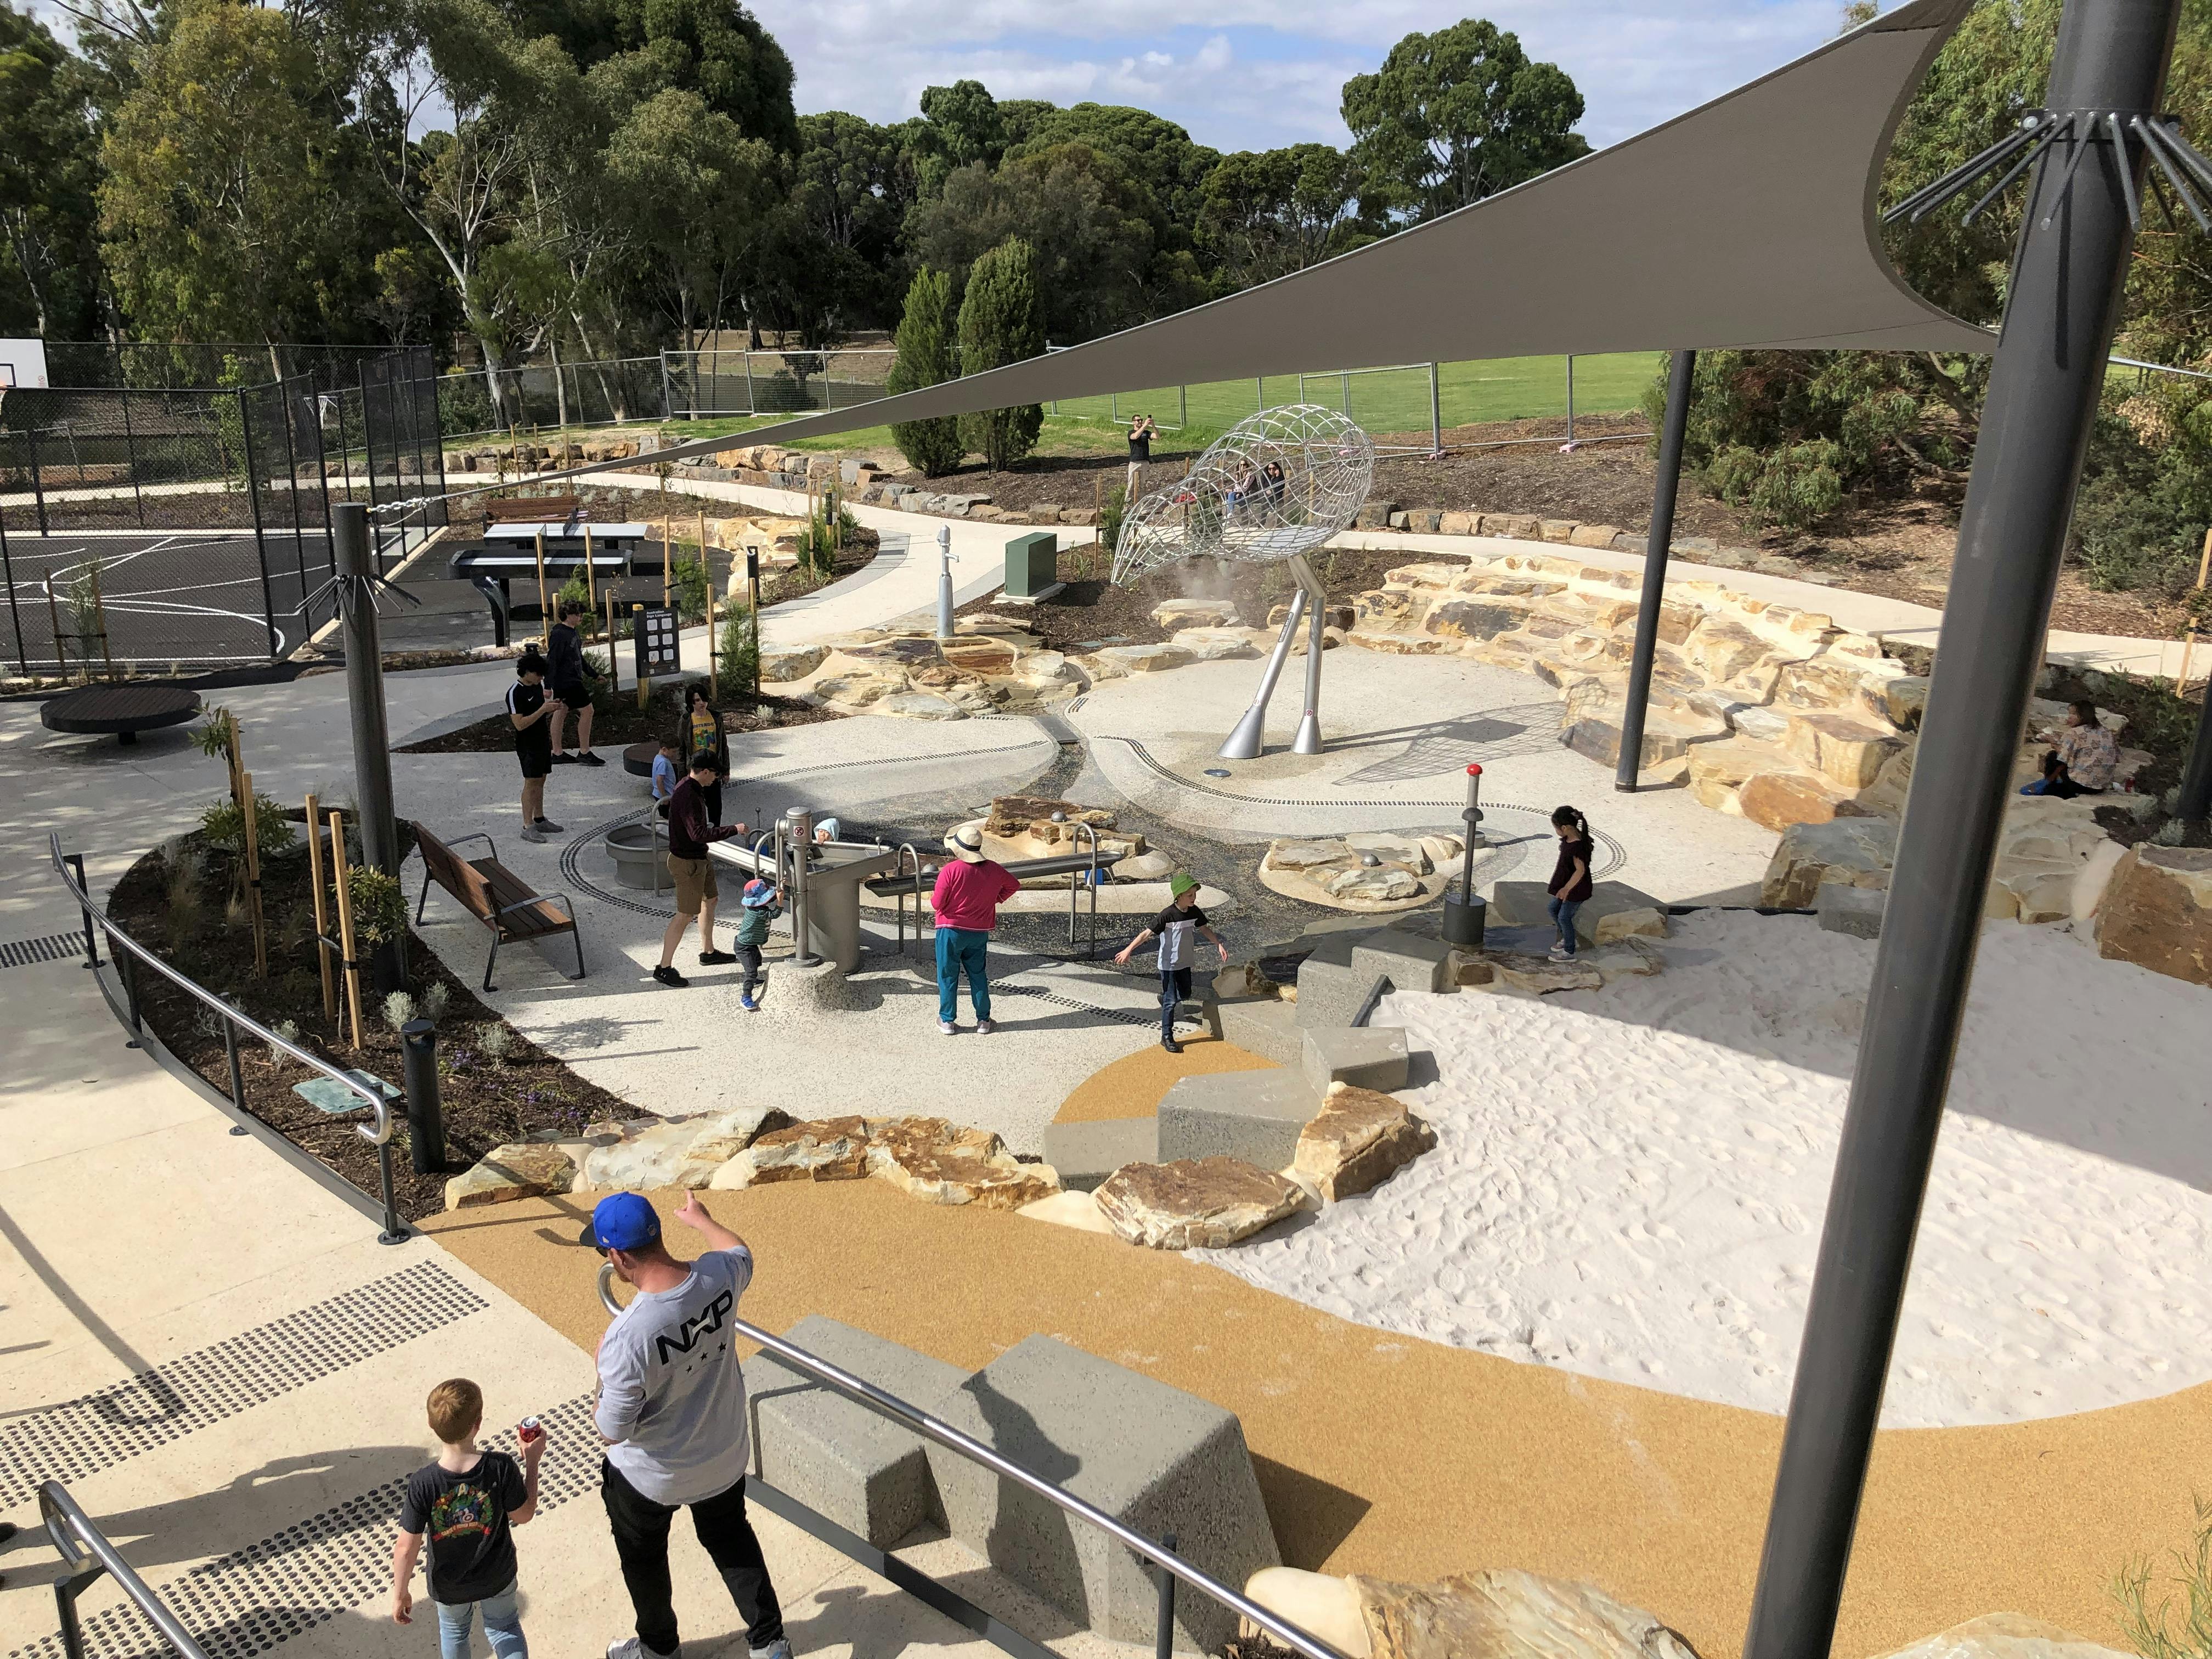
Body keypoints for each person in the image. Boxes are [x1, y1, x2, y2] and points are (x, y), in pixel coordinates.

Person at [590, 1192, 791, 1659]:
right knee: (731, 1539)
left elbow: (612, 1429)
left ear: (618, 1257)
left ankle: (659, 1650)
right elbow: (740, 1251)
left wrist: (600, 1371)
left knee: (645, 1561)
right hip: (722, 1455)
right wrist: (703, 1220)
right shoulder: (718, 1276)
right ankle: (770, 1643)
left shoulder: (628, 1337)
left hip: (651, 1478)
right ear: (658, 1234)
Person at [391, 1378, 546, 1659]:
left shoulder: (424, 1483)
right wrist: (532, 1464)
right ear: (479, 1423)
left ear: (431, 1425)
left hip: (448, 1584)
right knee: (504, 1628)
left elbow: (405, 1547)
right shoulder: (501, 1467)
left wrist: (401, 1593)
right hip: (497, 1574)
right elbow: (524, 1515)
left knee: (454, 1633)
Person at [1114, 873, 1229, 1054]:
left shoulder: (1194, 912)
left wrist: (1219, 944)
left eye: (1195, 894)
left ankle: (1164, 997)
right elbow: (1146, 934)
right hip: (1168, 964)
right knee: (1171, 1002)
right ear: (1179, 895)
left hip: (1185, 962)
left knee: (1185, 993)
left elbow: (1204, 929)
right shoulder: (1167, 915)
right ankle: (1166, 1036)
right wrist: (1129, 950)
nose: (1194, 898)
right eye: (1190, 895)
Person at [656, 753, 743, 988]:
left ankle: (708, 952)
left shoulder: (688, 786)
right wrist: (734, 829)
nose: (716, 779)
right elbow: (699, 834)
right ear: (705, 772)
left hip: (699, 858)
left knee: (711, 899)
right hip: (688, 864)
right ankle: (664, 968)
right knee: (684, 915)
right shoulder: (688, 795)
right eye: (715, 774)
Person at [932, 826, 1019, 1036]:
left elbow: (937, 903)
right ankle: (983, 1020)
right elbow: (1014, 885)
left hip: (950, 930)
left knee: (948, 975)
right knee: (978, 974)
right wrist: (995, 899)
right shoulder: (995, 869)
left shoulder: (951, 870)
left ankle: (947, 1021)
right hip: (979, 931)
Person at [507, 653, 561, 844]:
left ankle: (540, 818)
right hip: (527, 744)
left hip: (541, 740)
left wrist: (551, 708)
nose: (541, 679)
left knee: (541, 779)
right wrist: (543, 710)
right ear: (528, 672)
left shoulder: (537, 686)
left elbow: (539, 714)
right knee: (531, 782)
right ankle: (527, 825)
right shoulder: (515, 692)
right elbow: (519, 724)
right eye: (539, 674)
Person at [546, 599, 603, 766]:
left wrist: (594, 674)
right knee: (588, 710)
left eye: (581, 614)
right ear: (567, 615)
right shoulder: (559, 634)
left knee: (561, 710)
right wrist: (547, 686)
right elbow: (552, 660)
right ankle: (584, 752)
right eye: (578, 614)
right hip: (567, 681)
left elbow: (579, 658)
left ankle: (557, 753)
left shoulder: (573, 632)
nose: (581, 617)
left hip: (571, 680)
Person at [2021, 699, 2118, 798]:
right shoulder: (2106, 732)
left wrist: (2052, 742)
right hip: (2101, 786)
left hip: (2081, 785)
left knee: (2053, 756)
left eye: (2073, 714)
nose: (2069, 717)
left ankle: (2051, 785)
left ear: (2083, 716)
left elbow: (2063, 757)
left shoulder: (2075, 732)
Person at [1545, 805, 1595, 961]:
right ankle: (1568, 938)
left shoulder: (1578, 847)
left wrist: (1566, 889)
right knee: (1553, 909)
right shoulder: (1569, 839)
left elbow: (1580, 871)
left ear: (1565, 828)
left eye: (1556, 828)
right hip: (1566, 885)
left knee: (1564, 917)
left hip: (1576, 889)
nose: (1557, 832)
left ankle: (1569, 951)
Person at [675, 685, 729, 825]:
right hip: (696, 771)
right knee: (696, 809)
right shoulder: (687, 720)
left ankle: (716, 836)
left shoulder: (716, 717)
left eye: (703, 700)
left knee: (716, 809)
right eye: (697, 701)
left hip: (713, 770)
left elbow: (723, 745)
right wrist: (682, 777)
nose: (701, 704)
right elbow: (681, 750)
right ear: (691, 703)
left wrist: (726, 770)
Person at [733, 878, 780, 1011]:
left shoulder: (754, 907)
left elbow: (769, 899)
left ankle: (754, 980)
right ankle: (746, 997)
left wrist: (779, 888)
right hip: (744, 947)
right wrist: (781, 901)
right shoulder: (759, 913)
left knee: (758, 960)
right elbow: (775, 914)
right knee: (751, 970)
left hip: (749, 943)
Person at [1126, 413, 1156, 499]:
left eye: (1141, 420)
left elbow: (1157, 436)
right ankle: (1127, 505)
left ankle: (1142, 506)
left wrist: (1153, 426)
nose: (1140, 421)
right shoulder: (1131, 433)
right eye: (1138, 420)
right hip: (1134, 462)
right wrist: (1145, 426)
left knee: (1143, 485)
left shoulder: (1146, 433)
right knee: (1131, 485)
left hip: (1145, 462)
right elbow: (1135, 437)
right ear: (1133, 422)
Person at [650, 737, 681, 820]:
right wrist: (664, 797)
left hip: (662, 794)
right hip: (663, 795)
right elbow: (659, 780)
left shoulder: (658, 758)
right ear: (664, 749)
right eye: (673, 752)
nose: (675, 754)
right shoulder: (663, 762)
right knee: (668, 819)